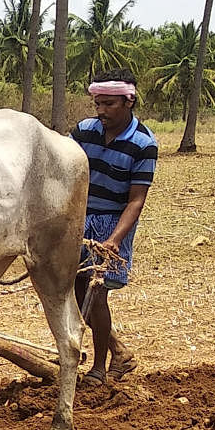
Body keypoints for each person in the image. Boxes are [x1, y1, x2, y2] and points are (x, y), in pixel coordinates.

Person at [70, 68, 157, 385]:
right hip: (78, 217)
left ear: (128, 102)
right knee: (79, 294)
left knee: (98, 293)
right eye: (98, 104)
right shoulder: (83, 131)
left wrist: (115, 240)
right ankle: (118, 351)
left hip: (112, 222)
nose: (101, 111)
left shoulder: (143, 143)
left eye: (109, 104)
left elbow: (136, 200)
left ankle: (99, 367)